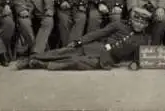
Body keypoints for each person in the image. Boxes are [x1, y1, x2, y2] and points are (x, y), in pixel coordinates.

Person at [15, 7, 152, 71]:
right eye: (137, 21)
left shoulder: (144, 39)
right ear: (132, 20)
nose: (139, 25)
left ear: (146, 25)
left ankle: (38, 64)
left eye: (142, 23)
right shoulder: (119, 25)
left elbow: (139, 56)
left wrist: (136, 64)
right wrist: (79, 41)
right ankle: (31, 59)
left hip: (105, 59)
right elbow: (98, 33)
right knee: (64, 52)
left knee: (74, 62)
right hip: (94, 48)